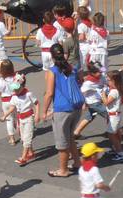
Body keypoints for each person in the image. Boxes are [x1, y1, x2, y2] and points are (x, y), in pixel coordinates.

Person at [43, 43, 83, 178]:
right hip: (76, 107)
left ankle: (63, 170)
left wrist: (44, 111)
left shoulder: (52, 71)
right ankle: (77, 163)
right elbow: (79, 82)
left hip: (62, 109)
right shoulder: (72, 68)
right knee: (70, 136)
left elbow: (49, 93)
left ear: (52, 56)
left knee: (62, 143)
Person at [0, 75, 40, 166]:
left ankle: (23, 158)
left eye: (17, 89)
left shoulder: (28, 94)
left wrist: (37, 115)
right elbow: (12, 107)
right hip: (21, 118)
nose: (15, 91)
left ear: (23, 86)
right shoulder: (14, 96)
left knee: (27, 139)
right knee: (23, 137)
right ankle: (31, 153)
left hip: (29, 118)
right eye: (14, 89)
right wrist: (5, 115)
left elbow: (36, 103)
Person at [73, 63, 108, 140]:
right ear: (92, 73)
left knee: (91, 116)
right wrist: (83, 103)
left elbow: (104, 72)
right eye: (98, 72)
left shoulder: (101, 76)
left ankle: (76, 133)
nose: (101, 73)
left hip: (98, 101)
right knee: (109, 115)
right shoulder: (88, 83)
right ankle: (113, 132)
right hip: (94, 103)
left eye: (101, 71)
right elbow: (81, 93)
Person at [102, 70, 123, 162]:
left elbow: (105, 102)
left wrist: (103, 94)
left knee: (111, 135)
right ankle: (116, 148)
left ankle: (121, 153)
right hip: (115, 115)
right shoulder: (117, 90)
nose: (107, 82)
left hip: (113, 116)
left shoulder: (114, 92)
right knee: (116, 133)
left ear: (114, 81)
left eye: (108, 80)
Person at [0, 60, 19, 145]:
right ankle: (21, 133)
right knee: (18, 117)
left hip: (6, 101)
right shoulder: (16, 77)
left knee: (9, 119)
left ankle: (12, 139)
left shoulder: (1, 80)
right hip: (16, 99)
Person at [77, 6, 93, 71]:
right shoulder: (91, 22)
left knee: (84, 64)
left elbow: (82, 37)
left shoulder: (81, 25)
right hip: (91, 45)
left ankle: (86, 78)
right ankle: (102, 73)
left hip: (84, 47)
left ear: (79, 15)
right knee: (94, 63)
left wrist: (76, 38)